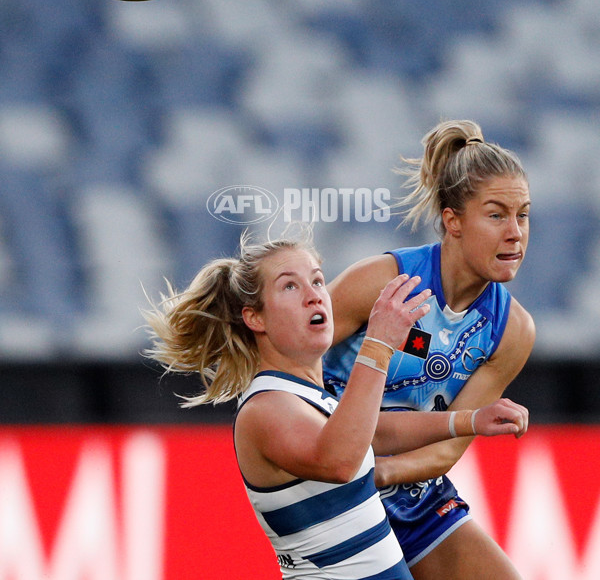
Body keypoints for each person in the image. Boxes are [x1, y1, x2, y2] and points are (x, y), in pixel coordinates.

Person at [144, 229, 529, 580]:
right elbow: (341, 460)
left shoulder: (308, 395)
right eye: (289, 287)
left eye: (316, 280)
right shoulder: (265, 407)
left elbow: (374, 431)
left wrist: (471, 419)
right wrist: (378, 344)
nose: (314, 293)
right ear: (255, 317)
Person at [322, 119, 536, 580]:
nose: (516, 232)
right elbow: (289, 361)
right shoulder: (382, 282)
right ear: (452, 221)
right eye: (496, 214)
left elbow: (445, 451)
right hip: (330, 490)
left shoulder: (512, 330)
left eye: (522, 215)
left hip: (407, 491)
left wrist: (375, 475)